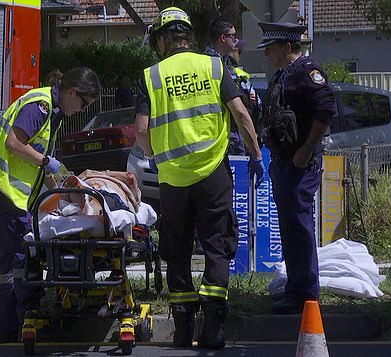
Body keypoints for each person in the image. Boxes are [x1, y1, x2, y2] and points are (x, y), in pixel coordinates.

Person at [135, 7, 264, 350]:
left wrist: (156, 158)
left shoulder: (151, 76)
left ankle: (182, 328)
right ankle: (214, 329)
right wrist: (255, 154)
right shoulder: (213, 66)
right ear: (189, 37)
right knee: (216, 246)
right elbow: (240, 113)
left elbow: (141, 130)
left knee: (176, 251)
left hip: (173, 180)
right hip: (213, 174)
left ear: (162, 40)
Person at [0, 67, 101, 341]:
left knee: (8, 259)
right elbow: (14, 143)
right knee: (24, 253)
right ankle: (30, 319)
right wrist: (45, 162)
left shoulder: (54, 114)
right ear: (72, 92)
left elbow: (45, 169)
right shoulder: (40, 106)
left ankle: (8, 327)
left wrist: (61, 196)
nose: (83, 110)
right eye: (83, 103)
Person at [257, 22, 337, 314]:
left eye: (271, 48)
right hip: (283, 163)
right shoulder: (285, 74)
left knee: (299, 226)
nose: (267, 54)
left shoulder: (306, 72)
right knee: (290, 227)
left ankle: (305, 294)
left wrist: (306, 148)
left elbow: (326, 107)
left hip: (299, 164)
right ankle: (296, 289)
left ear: (287, 47)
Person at [206, 20, 262, 155]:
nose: (236, 40)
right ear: (223, 38)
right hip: (218, 132)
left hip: (234, 130)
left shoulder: (227, 63)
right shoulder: (209, 63)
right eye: (233, 36)